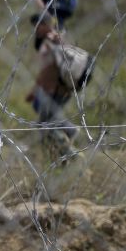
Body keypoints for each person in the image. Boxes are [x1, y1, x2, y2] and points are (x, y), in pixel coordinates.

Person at [26, 14, 78, 157]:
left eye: (38, 26)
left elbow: (47, 71)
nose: (36, 30)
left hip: (56, 89)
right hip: (54, 88)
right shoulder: (49, 41)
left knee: (45, 124)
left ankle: (69, 153)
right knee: (49, 121)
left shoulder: (56, 40)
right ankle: (66, 141)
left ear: (46, 24)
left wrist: (34, 90)